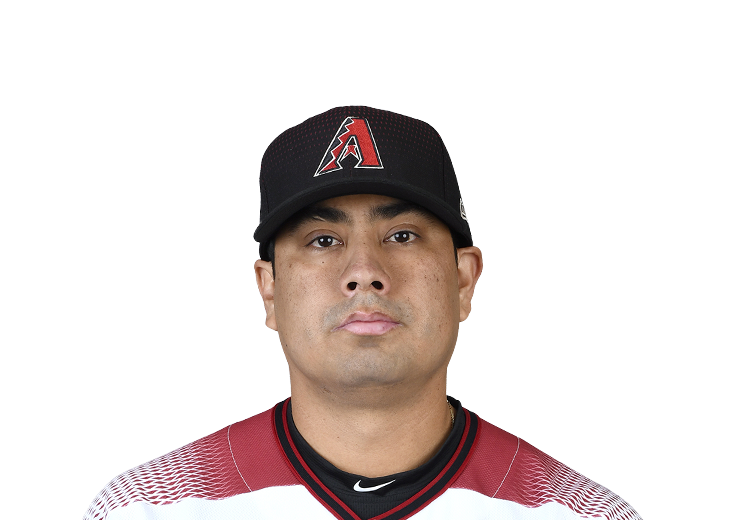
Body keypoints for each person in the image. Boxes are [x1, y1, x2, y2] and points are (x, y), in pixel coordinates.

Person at [82, 106, 642, 520]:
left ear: (463, 280)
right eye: (323, 241)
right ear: (270, 291)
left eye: (402, 235)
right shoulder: (151, 507)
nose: (365, 272)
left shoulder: (579, 513)